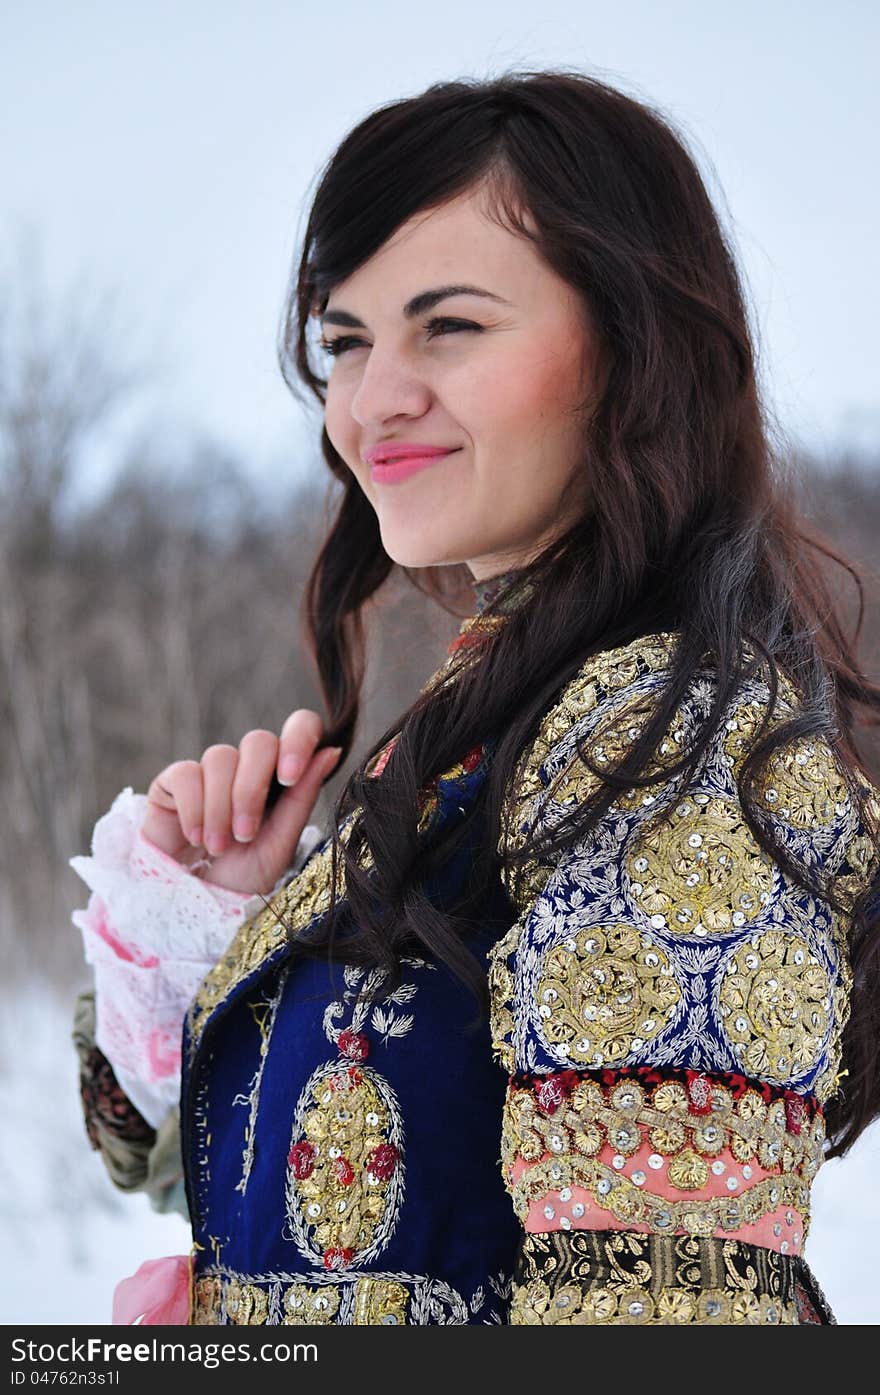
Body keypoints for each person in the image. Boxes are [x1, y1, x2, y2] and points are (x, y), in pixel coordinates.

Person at [70, 67, 880, 1326]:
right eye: (345, 340)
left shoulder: (667, 750)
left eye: (448, 326)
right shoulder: (499, 722)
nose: (371, 398)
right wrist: (212, 942)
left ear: (629, 349)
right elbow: (295, 1219)